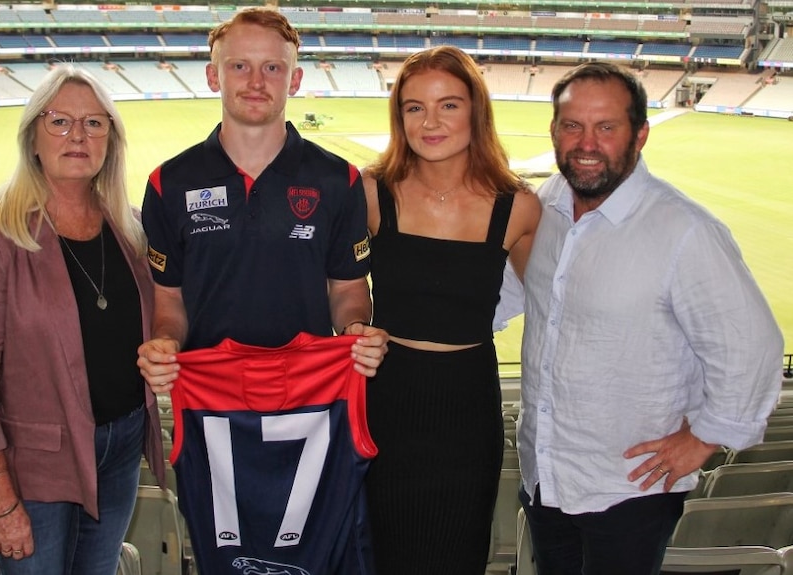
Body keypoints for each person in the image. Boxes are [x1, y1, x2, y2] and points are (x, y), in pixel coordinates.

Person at [135, 7, 388, 574]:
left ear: (295, 80)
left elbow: (349, 289)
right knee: (231, 554)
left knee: (308, 551)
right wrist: (165, 346)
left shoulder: (336, 179)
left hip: (311, 403)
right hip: (213, 410)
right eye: (240, 66)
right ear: (212, 75)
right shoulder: (168, 182)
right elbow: (169, 302)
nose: (256, 81)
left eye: (273, 68)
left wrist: (355, 332)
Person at [518, 61, 784, 574]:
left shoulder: (684, 231)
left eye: (607, 127)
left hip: (629, 490)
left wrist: (705, 436)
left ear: (640, 135)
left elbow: (753, 346)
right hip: (547, 476)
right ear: (553, 130)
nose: (587, 143)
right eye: (573, 125)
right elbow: (512, 295)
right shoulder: (546, 203)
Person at [0, 64, 166, 575]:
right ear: (32, 137)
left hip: (123, 445)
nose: (78, 135)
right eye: (59, 121)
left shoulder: (131, 229)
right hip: (36, 466)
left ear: (111, 137)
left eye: (94, 123)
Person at [361, 46, 541, 575]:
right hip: (386, 403)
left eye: (449, 105)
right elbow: (332, 287)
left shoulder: (518, 207)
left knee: (456, 556)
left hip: (467, 410)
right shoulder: (371, 194)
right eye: (414, 107)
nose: (430, 121)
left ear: (476, 111)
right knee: (383, 555)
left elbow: (560, 313)